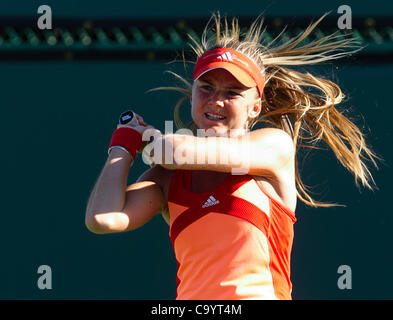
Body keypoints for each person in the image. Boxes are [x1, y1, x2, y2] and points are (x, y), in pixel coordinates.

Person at [85, 13, 378, 300]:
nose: (216, 100)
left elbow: (174, 150)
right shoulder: (166, 177)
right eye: (206, 88)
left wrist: (147, 137)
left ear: (254, 107)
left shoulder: (273, 145)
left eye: (233, 92)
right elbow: (103, 219)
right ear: (192, 94)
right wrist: (122, 147)